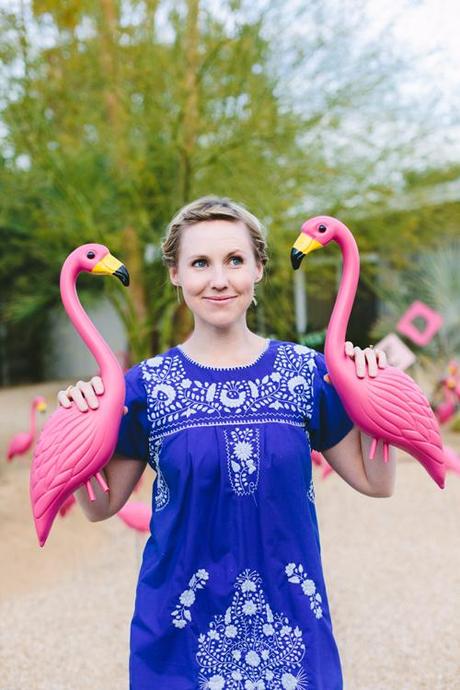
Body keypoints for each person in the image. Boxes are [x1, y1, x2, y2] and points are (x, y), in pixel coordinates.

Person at [58, 196, 395, 690]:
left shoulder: (307, 374)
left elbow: (377, 482)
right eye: (200, 263)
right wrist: (80, 420)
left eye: (235, 260)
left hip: (291, 636)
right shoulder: (143, 388)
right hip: (178, 636)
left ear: (259, 267)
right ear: (174, 273)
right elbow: (100, 506)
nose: (219, 279)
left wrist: (376, 394)